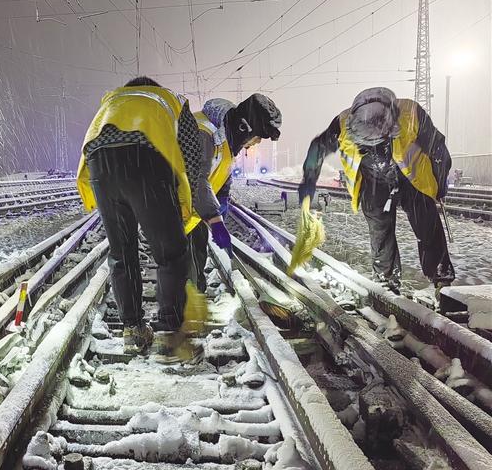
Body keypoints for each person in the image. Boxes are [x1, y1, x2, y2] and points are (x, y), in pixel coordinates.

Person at [77, 76, 219, 357]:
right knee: (171, 253)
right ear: (154, 87)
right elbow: (190, 157)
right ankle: (170, 333)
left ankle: (133, 331)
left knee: (121, 252)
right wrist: (184, 206)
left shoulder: (112, 101)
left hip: (100, 164)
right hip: (145, 159)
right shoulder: (170, 100)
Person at [298, 87, 454, 297]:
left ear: (391, 129)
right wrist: (308, 181)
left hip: (412, 179)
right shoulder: (342, 123)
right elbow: (318, 148)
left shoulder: (411, 113)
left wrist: (439, 183)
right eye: (365, 146)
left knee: (428, 225)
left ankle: (442, 279)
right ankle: (386, 281)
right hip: (373, 181)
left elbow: (439, 150)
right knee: (380, 233)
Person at [189, 95, 282, 292]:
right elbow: (196, 180)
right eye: (258, 136)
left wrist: (222, 201)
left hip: (192, 208)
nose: (257, 142)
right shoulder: (203, 133)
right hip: (175, 206)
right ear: (245, 127)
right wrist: (215, 220)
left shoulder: (227, 137)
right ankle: (185, 301)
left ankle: (193, 291)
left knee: (196, 250)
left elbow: (223, 173)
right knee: (180, 260)